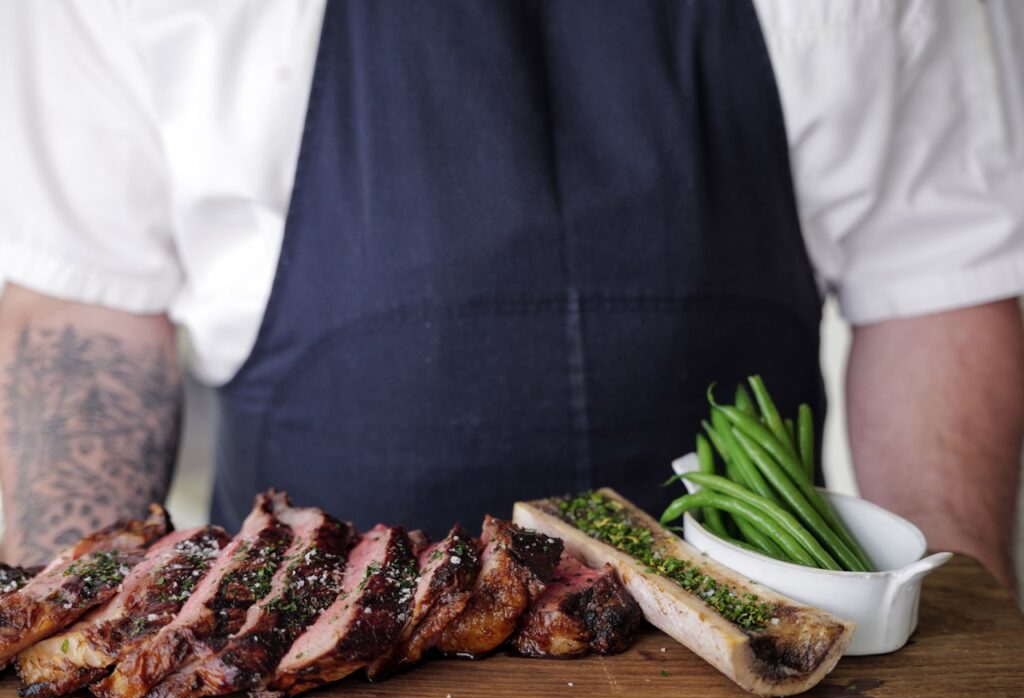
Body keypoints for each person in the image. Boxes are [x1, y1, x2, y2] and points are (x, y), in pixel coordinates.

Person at [1, 1, 1022, 591]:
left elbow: (935, 284)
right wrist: (56, 659)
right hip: (298, 685)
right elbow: (84, 309)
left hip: (774, 686)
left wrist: (954, 670)